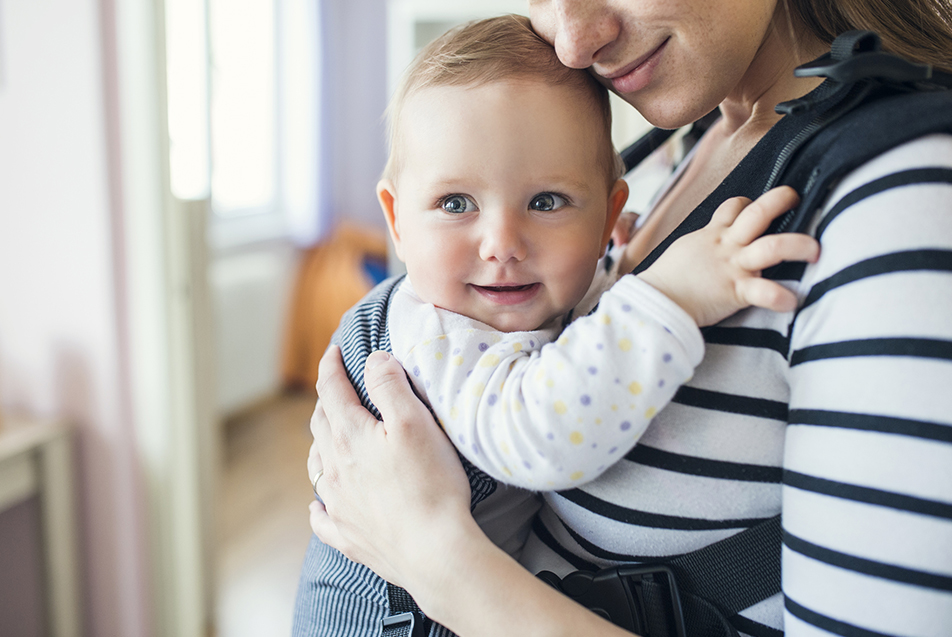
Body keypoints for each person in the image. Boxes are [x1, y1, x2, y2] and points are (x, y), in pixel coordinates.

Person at [298, 1, 952, 636]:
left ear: (604, 207)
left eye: (548, 201)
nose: (574, 40)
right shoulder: (686, 150)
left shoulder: (901, 197)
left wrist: (433, 559)